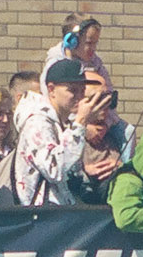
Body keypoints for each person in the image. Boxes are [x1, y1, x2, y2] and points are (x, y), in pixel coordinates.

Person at [8, 57, 87, 206]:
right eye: (72, 90)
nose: (80, 96)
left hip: (59, 211)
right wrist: (80, 123)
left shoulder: (59, 123)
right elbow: (54, 170)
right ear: (51, 90)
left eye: (83, 90)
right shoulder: (37, 122)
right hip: (41, 213)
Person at [69, 69, 132, 207]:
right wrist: (83, 172)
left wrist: (123, 168)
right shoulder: (66, 135)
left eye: (109, 99)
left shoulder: (121, 134)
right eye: (97, 99)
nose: (105, 106)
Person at [42, 13, 108, 82]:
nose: (94, 48)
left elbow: (108, 86)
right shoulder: (54, 65)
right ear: (72, 41)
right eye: (89, 43)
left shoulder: (95, 62)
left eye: (95, 43)